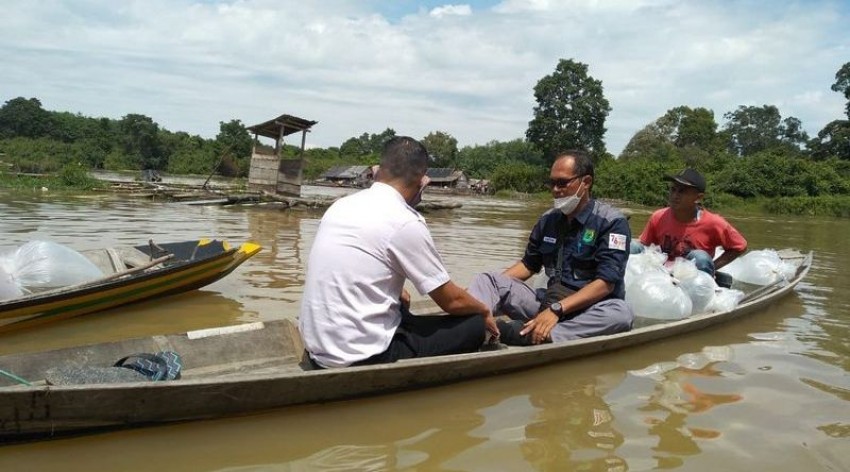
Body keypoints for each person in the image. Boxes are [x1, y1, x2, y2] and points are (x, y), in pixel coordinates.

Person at [299, 136, 498, 368]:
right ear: (422, 181)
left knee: (401, 299)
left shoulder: (341, 205)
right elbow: (450, 301)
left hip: (317, 347)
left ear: (377, 171)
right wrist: (484, 310)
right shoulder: (405, 221)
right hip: (360, 356)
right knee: (473, 324)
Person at [467, 150, 634, 346]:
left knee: (621, 314)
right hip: (547, 303)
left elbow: (606, 283)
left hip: (589, 310)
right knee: (489, 280)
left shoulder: (612, 222)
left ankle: (536, 334)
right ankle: (473, 325)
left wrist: (557, 310)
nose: (555, 189)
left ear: (586, 182)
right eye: (551, 183)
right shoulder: (548, 220)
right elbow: (528, 265)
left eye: (562, 183)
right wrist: (481, 294)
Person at [632, 168, 747, 276]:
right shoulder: (659, 216)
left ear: (698, 197)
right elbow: (644, 245)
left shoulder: (713, 223)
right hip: (662, 273)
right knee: (632, 246)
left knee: (700, 257)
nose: (675, 195)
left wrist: (713, 267)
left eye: (682, 191)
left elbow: (739, 247)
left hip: (691, 278)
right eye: (673, 189)